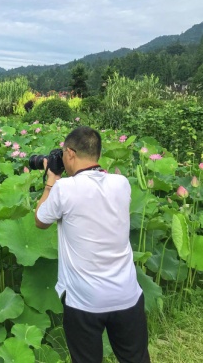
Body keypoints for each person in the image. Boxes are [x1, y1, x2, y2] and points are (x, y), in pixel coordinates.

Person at [34, 126, 150, 363]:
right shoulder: (121, 183)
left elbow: (40, 220)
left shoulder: (64, 188)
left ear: (70, 153)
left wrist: (52, 180)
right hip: (126, 294)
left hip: (84, 300)